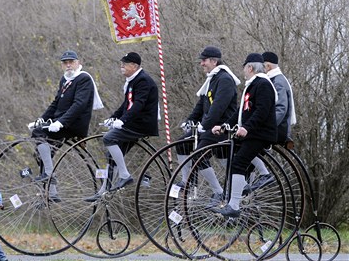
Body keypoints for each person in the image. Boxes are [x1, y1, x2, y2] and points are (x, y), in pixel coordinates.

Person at [29, 50, 103, 201]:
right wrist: (41, 120)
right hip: (60, 122)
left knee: (38, 134)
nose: (68, 65)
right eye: (65, 62)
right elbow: (56, 103)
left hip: (74, 123)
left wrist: (60, 122)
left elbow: (79, 105)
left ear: (78, 62)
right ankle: (52, 192)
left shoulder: (83, 79)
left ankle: (49, 175)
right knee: (41, 152)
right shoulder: (65, 79)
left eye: (71, 62)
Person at [84, 52, 158, 202]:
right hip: (133, 122)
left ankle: (124, 175)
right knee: (111, 156)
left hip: (141, 124)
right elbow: (126, 105)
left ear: (135, 66)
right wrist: (113, 118)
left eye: (125, 63)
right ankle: (104, 190)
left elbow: (139, 104)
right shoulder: (132, 81)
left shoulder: (143, 80)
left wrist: (123, 121)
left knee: (109, 138)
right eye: (122, 63)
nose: (122, 66)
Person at [211, 53, 277, 218]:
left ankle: (234, 205)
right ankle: (245, 187)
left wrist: (247, 127)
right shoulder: (253, 85)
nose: (243, 71)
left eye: (244, 68)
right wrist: (225, 126)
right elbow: (241, 113)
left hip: (260, 134)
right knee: (235, 155)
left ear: (250, 67)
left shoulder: (263, 84)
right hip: (252, 133)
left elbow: (262, 110)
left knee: (238, 163)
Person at [175, 46, 240, 198]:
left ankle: (219, 192)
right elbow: (202, 104)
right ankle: (186, 181)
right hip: (210, 126)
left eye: (204, 60)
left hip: (222, 128)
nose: (201, 64)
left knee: (199, 155)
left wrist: (204, 126)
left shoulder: (225, 79)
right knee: (182, 144)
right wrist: (191, 120)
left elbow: (218, 107)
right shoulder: (212, 78)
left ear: (214, 61)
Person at [244, 51, 297, 192]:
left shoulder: (277, 81)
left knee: (248, 140)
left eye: (262, 66)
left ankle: (261, 175)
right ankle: (249, 179)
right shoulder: (274, 80)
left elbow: (281, 109)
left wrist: (265, 126)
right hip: (274, 126)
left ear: (267, 66)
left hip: (278, 129)